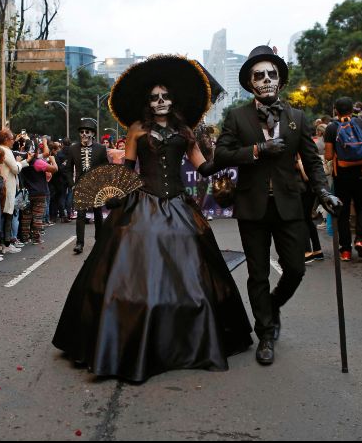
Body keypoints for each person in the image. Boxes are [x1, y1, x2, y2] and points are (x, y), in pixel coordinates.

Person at [53, 56, 253, 382]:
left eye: (165, 96)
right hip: (142, 204)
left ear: (173, 99)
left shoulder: (185, 131)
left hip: (178, 205)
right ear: (147, 102)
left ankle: (186, 339)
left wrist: (224, 168)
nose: (160, 102)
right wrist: (116, 192)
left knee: (192, 271)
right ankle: (130, 338)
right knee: (133, 271)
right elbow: (127, 169)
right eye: (154, 97)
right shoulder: (135, 130)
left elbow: (202, 167)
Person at [215, 46, 341, 365]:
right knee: (258, 274)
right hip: (252, 207)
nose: (267, 79)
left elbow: (312, 162)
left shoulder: (297, 117)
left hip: (289, 206)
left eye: (272, 74)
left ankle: (271, 306)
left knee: (296, 269)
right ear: (250, 83)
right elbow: (222, 155)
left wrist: (324, 193)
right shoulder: (237, 116)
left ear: (280, 81)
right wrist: (257, 150)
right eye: (260, 75)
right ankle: (266, 333)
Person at [324, 96, 362, 261]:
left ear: (335, 110)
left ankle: (345, 250)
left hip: (341, 175)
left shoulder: (332, 127)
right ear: (353, 109)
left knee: (343, 212)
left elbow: (327, 155)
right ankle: (361, 240)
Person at [65, 118, 108, 254]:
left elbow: (105, 168)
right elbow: (67, 169)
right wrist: (72, 185)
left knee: (98, 213)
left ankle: (99, 240)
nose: (84, 134)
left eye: (87, 132)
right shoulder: (73, 148)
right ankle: (79, 243)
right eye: (82, 132)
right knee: (81, 215)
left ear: (92, 134)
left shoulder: (100, 149)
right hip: (80, 186)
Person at [18, 142, 58, 245]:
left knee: (26, 216)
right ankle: (36, 238)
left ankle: (25, 237)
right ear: (36, 151)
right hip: (39, 192)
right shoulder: (37, 162)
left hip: (26, 193)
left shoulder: (22, 162)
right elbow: (54, 169)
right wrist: (53, 161)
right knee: (37, 216)